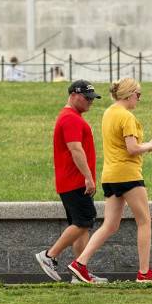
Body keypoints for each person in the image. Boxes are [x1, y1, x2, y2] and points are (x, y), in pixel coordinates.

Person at [67, 78, 152, 284]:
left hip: (110, 176)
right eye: (138, 95)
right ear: (129, 94)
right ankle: (144, 272)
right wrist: (150, 145)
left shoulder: (109, 113)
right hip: (128, 174)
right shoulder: (126, 116)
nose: (139, 99)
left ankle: (80, 262)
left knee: (110, 225)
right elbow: (132, 148)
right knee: (144, 221)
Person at [35, 80, 106, 283]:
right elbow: (76, 149)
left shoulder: (71, 117)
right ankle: (49, 256)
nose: (90, 102)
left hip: (72, 181)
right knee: (85, 220)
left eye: (92, 98)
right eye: (87, 98)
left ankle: (80, 270)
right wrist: (88, 177)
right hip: (75, 181)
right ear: (74, 95)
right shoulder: (70, 119)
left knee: (81, 225)